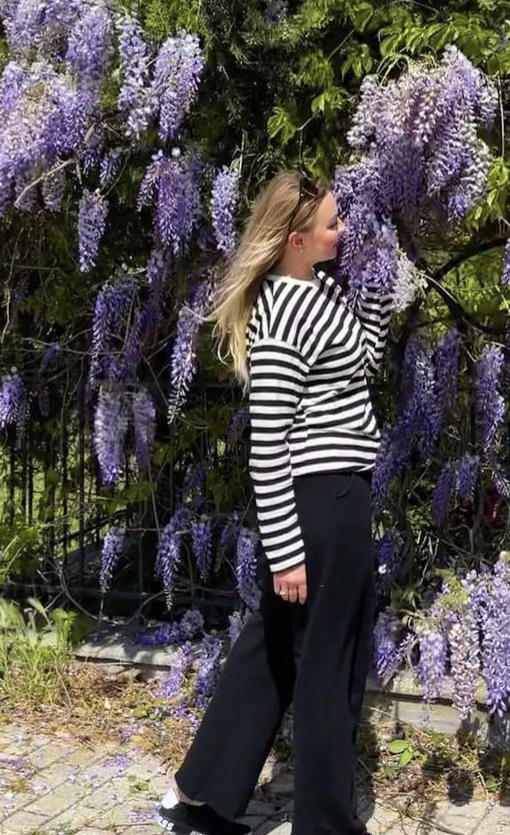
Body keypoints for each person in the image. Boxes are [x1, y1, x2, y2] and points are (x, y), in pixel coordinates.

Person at [155, 168, 396, 835]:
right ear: (296, 239)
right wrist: (287, 551)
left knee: (271, 654)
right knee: (329, 666)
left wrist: (379, 290)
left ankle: (200, 797)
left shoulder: (317, 291)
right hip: (323, 503)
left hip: (331, 497)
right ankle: (326, 825)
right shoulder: (287, 312)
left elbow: (360, 363)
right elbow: (268, 441)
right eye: (332, 224)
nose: (342, 231)